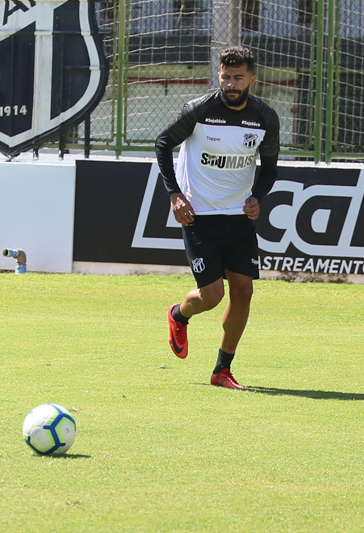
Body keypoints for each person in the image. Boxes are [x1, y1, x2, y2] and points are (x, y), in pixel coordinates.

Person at [155, 45, 280, 389]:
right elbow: (163, 143)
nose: (231, 84)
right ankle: (178, 314)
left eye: (238, 77)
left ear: (252, 79)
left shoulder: (264, 118)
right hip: (199, 215)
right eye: (226, 77)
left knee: (243, 290)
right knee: (211, 296)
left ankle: (222, 370)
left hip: (238, 218)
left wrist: (257, 197)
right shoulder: (198, 111)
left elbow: (269, 167)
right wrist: (175, 195)